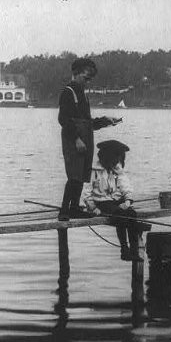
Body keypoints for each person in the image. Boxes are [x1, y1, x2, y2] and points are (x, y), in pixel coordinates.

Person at [58, 58, 121, 221]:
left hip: (86, 139)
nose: (88, 82)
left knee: (82, 174)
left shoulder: (83, 95)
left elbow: (88, 123)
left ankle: (74, 208)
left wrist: (105, 121)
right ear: (76, 73)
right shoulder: (68, 92)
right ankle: (64, 211)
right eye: (86, 78)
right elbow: (63, 119)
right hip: (74, 140)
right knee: (74, 175)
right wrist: (77, 139)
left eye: (90, 79)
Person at [82, 140, 142, 261]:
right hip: (102, 203)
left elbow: (125, 185)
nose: (116, 162)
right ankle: (124, 249)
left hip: (115, 201)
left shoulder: (116, 169)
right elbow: (86, 193)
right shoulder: (93, 170)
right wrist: (93, 208)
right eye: (115, 159)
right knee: (120, 215)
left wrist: (128, 201)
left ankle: (134, 251)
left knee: (132, 214)